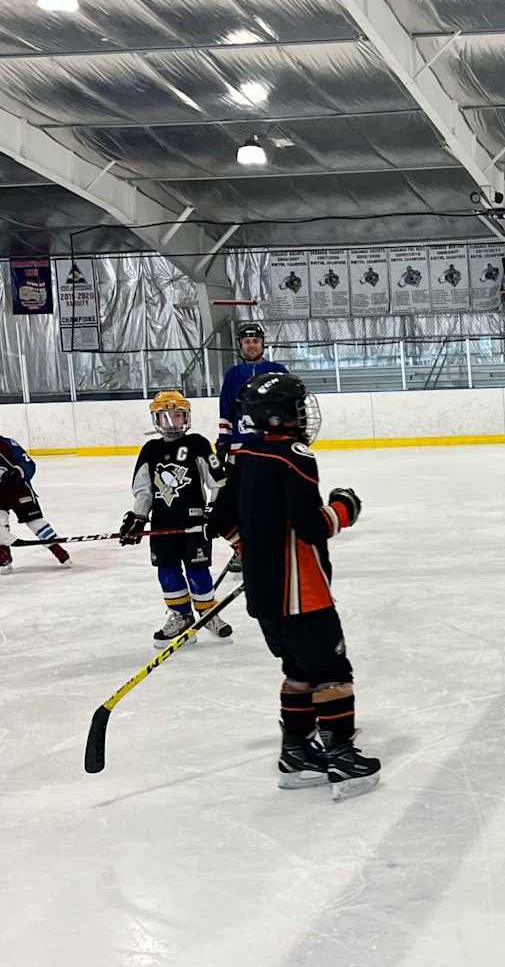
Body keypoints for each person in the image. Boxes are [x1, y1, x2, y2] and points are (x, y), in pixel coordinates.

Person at [207, 372, 378, 795]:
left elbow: (221, 522)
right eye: (298, 407)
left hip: (265, 594)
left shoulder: (243, 454)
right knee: (333, 671)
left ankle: (296, 754)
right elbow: (310, 526)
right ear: (280, 415)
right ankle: (341, 756)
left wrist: (254, 552)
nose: (304, 414)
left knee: (297, 669)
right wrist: (345, 508)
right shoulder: (294, 456)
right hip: (304, 592)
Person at [120, 390, 230, 645]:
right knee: (167, 571)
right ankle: (181, 616)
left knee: (198, 569)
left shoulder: (197, 444)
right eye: (166, 417)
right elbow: (144, 490)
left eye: (178, 416)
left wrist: (213, 511)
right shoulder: (150, 449)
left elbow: (218, 482)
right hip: (162, 523)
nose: (172, 423)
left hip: (194, 523)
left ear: (187, 418)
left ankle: (207, 612)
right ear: (156, 420)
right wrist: (138, 517)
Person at [0, 410, 69, 572]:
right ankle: (4, 554)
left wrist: (17, 472)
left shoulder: (8, 444)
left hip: (19, 490)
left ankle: (59, 552)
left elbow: (29, 464)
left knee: (35, 522)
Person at [216, 319, 288, 455]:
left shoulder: (278, 371)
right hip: (240, 445)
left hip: (273, 444)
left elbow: (288, 408)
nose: (251, 345)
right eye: (247, 342)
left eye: (255, 341)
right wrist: (223, 440)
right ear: (241, 345)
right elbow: (226, 411)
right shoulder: (233, 374)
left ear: (262, 343)